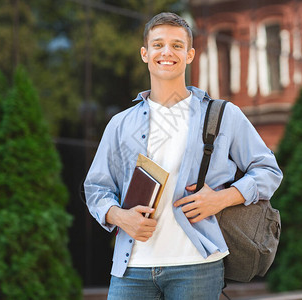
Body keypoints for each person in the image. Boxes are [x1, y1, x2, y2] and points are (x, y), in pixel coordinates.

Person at [84, 12, 283, 300]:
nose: (167, 52)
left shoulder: (222, 115)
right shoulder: (120, 124)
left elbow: (268, 170)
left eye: (177, 46)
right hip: (132, 268)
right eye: (158, 44)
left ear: (190, 55)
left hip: (197, 267)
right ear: (145, 53)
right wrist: (120, 216)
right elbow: (96, 189)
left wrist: (222, 198)